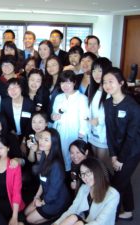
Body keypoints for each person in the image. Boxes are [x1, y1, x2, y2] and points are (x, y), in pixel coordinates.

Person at [103, 67, 140, 220]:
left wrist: (120, 159)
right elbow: (109, 132)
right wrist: (113, 154)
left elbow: (131, 137)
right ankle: (129, 210)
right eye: (105, 82)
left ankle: (111, 217)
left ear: (121, 83)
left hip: (131, 151)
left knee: (116, 186)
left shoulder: (132, 107)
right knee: (124, 179)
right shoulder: (108, 103)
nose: (107, 85)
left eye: (111, 82)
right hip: (117, 150)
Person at [24, 128, 71, 224]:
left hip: (56, 200)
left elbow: (54, 191)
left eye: (46, 140)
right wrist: (36, 196)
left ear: (53, 143)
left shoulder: (56, 164)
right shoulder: (44, 156)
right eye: (41, 138)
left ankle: (58, 214)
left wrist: (42, 202)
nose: (41, 141)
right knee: (26, 213)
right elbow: (42, 180)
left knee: (29, 219)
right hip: (46, 194)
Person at [53, 158, 120, 225]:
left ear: (97, 171)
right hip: (84, 221)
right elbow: (72, 209)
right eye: (82, 174)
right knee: (73, 217)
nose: (85, 177)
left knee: (79, 223)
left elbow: (100, 222)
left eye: (88, 172)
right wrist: (56, 223)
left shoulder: (113, 195)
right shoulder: (84, 188)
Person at [51, 70, 89, 172]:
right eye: (63, 82)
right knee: (60, 157)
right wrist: (53, 116)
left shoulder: (82, 99)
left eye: (68, 82)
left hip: (75, 134)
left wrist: (80, 137)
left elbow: (85, 119)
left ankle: (74, 180)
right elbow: (53, 113)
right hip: (59, 132)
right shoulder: (59, 97)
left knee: (75, 159)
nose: (65, 85)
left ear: (74, 83)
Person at [88, 57, 113, 172]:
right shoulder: (93, 88)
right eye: (94, 70)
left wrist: (98, 121)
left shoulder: (110, 90)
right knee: (95, 164)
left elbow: (110, 113)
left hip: (104, 135)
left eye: (100, 70)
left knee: (103, 166)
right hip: (93, 133)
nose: (96, 74)